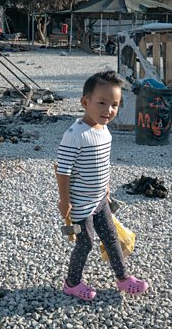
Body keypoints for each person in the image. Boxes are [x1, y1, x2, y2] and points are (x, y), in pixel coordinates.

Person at [56, 71, 149, 301]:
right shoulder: (75, 135)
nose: (108, 110)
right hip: (80, 205)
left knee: (112, 239)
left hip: (100, 200)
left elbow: (103, 163)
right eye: (102, 103)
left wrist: (106, 188)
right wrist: (65, 201)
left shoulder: (104, 130)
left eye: (114, 105)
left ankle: (123, 277)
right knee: (85, 244)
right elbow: (63, 170)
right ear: (85, 102)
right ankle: (72, 283)